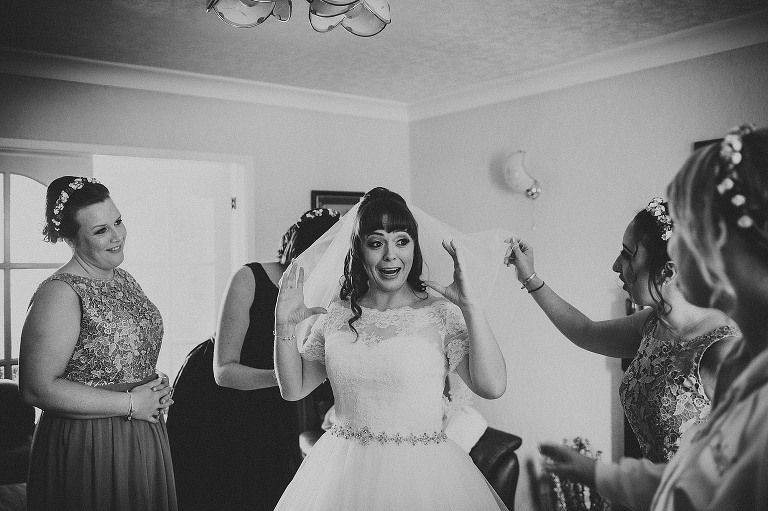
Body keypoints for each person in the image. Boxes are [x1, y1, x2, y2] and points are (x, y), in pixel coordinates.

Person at [538, 124, 768, 511]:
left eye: (687, 233)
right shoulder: (745, 363)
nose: (676, 251)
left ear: (720, 242)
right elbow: (694, 482)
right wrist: (597, 473)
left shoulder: (728, 355)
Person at [272, 187, 511, 510]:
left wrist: (470, 308)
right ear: (359, 250)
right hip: (341, 472)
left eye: (401, 241)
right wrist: (284, 327)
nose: (390, 255)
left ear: (414, 247)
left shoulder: (440, 313)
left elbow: (493, 386)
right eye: (376, 243)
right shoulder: (336, 313)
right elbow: (293, 389)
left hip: (422, 476)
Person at [505, 198, 739, 463]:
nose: (616, 266)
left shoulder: (722, 348)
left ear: (667, 271)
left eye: (628, 255)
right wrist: (529, 277)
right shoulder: (651, 324)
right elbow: (585, 331)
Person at [166, 207, 340, 511]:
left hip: (274, 401)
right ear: (298, 249)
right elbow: (223, 371)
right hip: (215, 397)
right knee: (212, 488)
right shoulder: (249, 277)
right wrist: (287, 376)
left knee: (267, 487)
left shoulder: (331, 292)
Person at [19, 176, 176, 511]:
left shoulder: (124, 278)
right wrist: (131, 403)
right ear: (71, 238)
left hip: (142, 431)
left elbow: (123, 354)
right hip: (91, 439)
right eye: (101, 230)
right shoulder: (60, 293)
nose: (117, 236)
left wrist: (154, 381)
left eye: (118, 221)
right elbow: (35, 388)